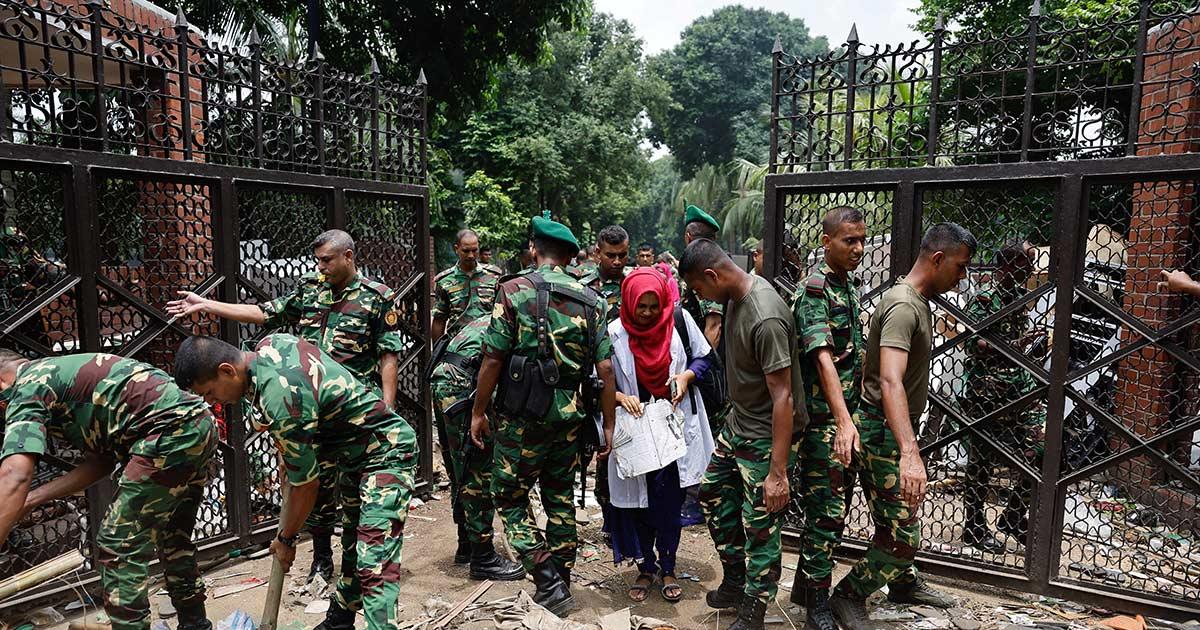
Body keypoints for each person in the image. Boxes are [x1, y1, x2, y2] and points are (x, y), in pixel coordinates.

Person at [166, 229, 402, 583]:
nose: (320, 267)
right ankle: (321, 557)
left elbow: (388, 355)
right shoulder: (310, 289)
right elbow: (264, 313)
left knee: (354, 491)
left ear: (348, 257)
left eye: (327, 260)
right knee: (313, 487)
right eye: (318, 261)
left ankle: (355, 570)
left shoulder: (377, 296)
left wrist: (387, 405)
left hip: (348, 410)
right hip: (302, 409)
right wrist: (208, 305)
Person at [174, 334, 417, 630]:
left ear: (227, 370)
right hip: (354, 455)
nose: (213, 402)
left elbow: (307, 485)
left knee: (374, 561)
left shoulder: (279, 396)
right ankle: (340, 622)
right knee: (355, 547)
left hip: (386, 452)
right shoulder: (270, 346)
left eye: (210, 393)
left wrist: (286, 539)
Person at [0, 351, 217, 630]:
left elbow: (15, 475)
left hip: (170, 434)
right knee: (173, 537)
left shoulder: (29, 385)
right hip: (194, 426)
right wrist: (34, 498)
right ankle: (196, 625)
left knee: (119, 545)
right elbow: (100, 463)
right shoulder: (57, 379)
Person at [468, 215, 618, 617]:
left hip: (522, 418)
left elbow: (493, 357)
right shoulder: (593, 300)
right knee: (560, 496)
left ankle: (547, 578)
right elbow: (606, 369)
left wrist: (479, 411)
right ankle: (561, 580)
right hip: (570, 416)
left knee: (508, 495)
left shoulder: (514, 290)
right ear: (570, 256)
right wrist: (609, 425)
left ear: (534, 249)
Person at [828, 223, 975, 630]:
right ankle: (848, 594)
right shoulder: (904, 306)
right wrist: (910, 453)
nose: (963, 276)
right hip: (882, 431)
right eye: (960, 266)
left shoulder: (916, 301)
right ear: (938, 259)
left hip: (891, 427)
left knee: (896, 514)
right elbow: (890, 380)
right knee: (903, 536)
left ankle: (904, 583)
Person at [679, 239, 806, 630]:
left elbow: (783, 397)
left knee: (761, 525)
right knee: (713, 494)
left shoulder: (765, 316)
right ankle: (735, 579)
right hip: (739, 425)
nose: (701, 297)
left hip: (767, 434)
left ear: (712, 275)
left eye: (699, 288)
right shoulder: (733, 298)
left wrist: (777, 472)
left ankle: (754, 611)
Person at [604, 268, 716, 604]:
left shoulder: (678, 321)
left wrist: (685, 377)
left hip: (671, 429)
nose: (648, 313)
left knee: (668, 502)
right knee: (637, 503)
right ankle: (645, 567)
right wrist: (619, 397)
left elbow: (705, 358)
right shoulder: (614, 332)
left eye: (654, 306)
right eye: (642, 306)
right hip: (634, 431)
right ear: (629, 303)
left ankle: (668, 567)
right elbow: (599, 378)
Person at [789, 208, 867, 630]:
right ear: (826, 242)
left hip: (843, 417)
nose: (858, 248)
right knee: (827, 514)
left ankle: (805, 587)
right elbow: (822, 358)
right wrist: (842, 421)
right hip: (823, 423)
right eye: (848, 240)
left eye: (861, 240)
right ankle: (817, 606)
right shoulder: (816, 290)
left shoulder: (846, 285)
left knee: (834, 510)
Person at [957, 240, 1045, 554]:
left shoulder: (1022, 297)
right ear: (1008, 265)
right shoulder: (984, 298)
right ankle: (974, 525)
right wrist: (1012, 346)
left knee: (1045, 449)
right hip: (987, 393)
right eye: (1025, 262)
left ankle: (1013, 516)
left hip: (1019, 391)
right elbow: (972, 343)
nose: (1031, 269)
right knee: (981, 462)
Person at [429, 313, 525, 581]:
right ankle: (483, 558)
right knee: (477, 470)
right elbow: (497, 366)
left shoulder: (498, 314)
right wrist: (481, 413)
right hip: (462, 386)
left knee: (460, 469)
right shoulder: (521, 319)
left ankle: (467, 545)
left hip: (446, 380)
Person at [433, 229, 504, 342]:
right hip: (458, 345)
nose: (471, 255)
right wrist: (437, 350)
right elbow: (439, 320)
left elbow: (503, 313)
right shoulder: (444, 281)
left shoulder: (494, 276)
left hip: (488, 344)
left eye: (474, 250)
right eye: (466, 251)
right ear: (456, 249)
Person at [680, 205, 725, 349]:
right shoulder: (716, 265)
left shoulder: (706, 270)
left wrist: (705, 361)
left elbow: (714, 326)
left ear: (688, 237)